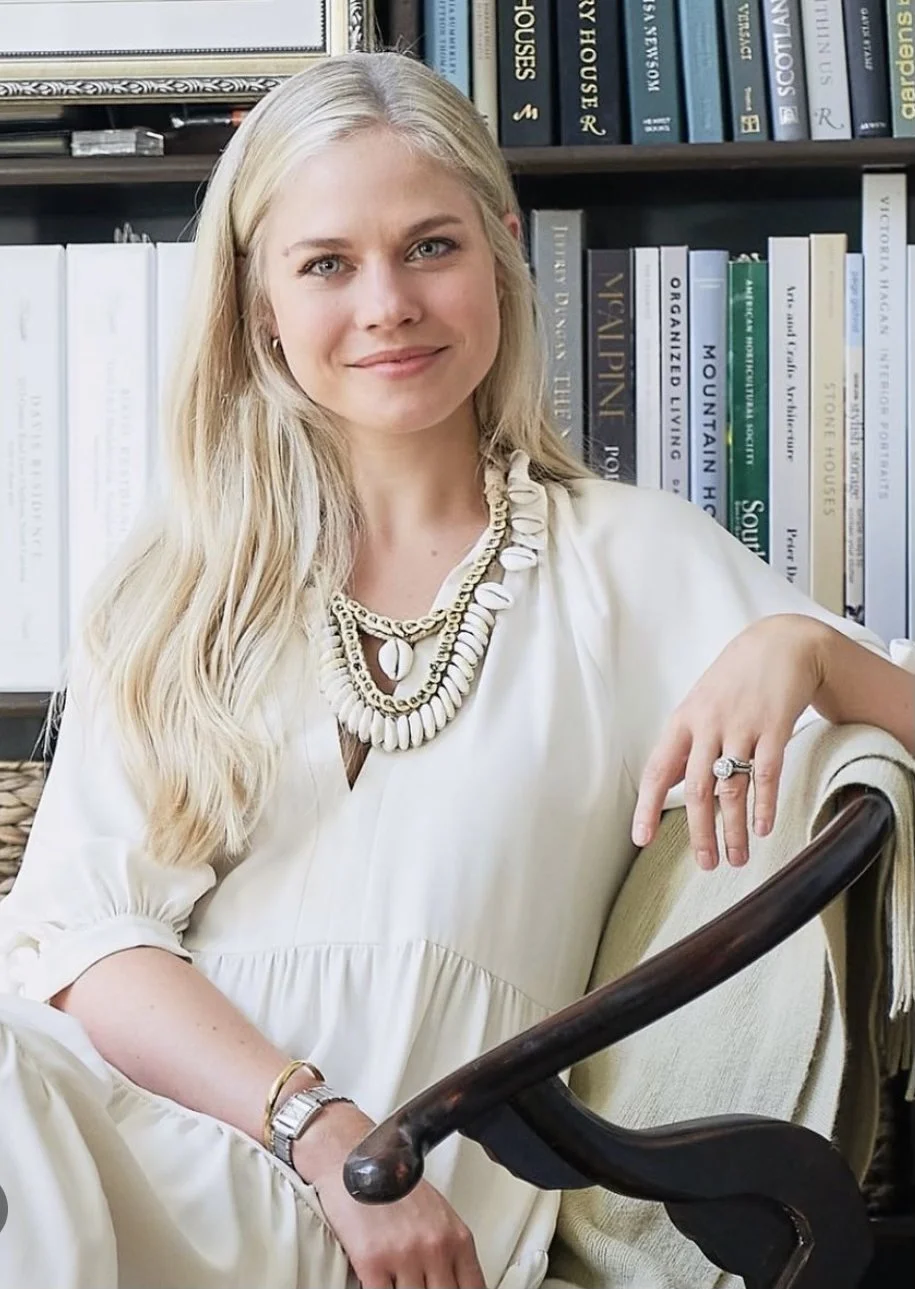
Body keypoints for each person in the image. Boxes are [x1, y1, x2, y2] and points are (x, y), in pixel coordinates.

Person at [0, 47, 912, 1289]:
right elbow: (85, 941)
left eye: (430, 245)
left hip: (426, 1194)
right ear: (261, 304)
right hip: (178, 1153)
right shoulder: (181, 593)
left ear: (503, 247)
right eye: (327, 263)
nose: (388, 303)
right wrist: (317, 1132)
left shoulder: (626, 560)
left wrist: (807, 651)